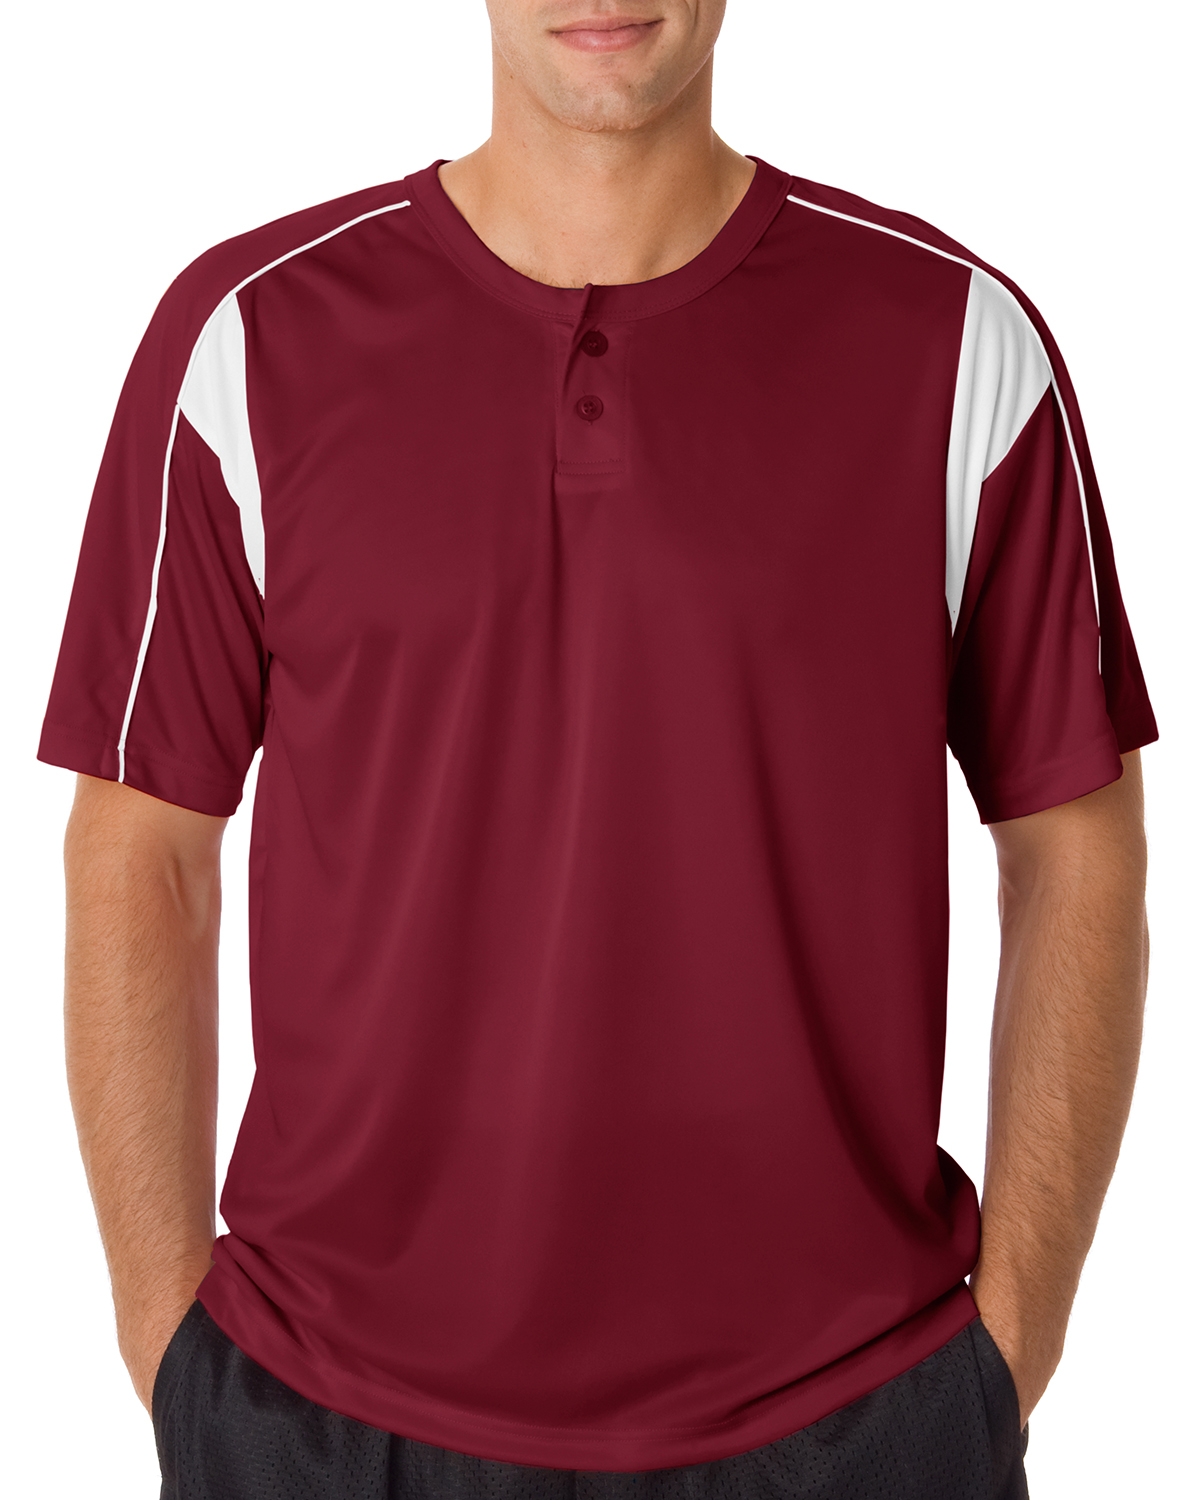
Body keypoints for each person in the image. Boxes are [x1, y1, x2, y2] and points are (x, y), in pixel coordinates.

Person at [39, 4, 1156, 1497]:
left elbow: (1075, 845)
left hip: (851, 1418)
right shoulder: (246, 338)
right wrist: (171, 1346)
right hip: (325, 1418)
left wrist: (1005, 1348)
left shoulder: (958, 342)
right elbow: (145, 848)